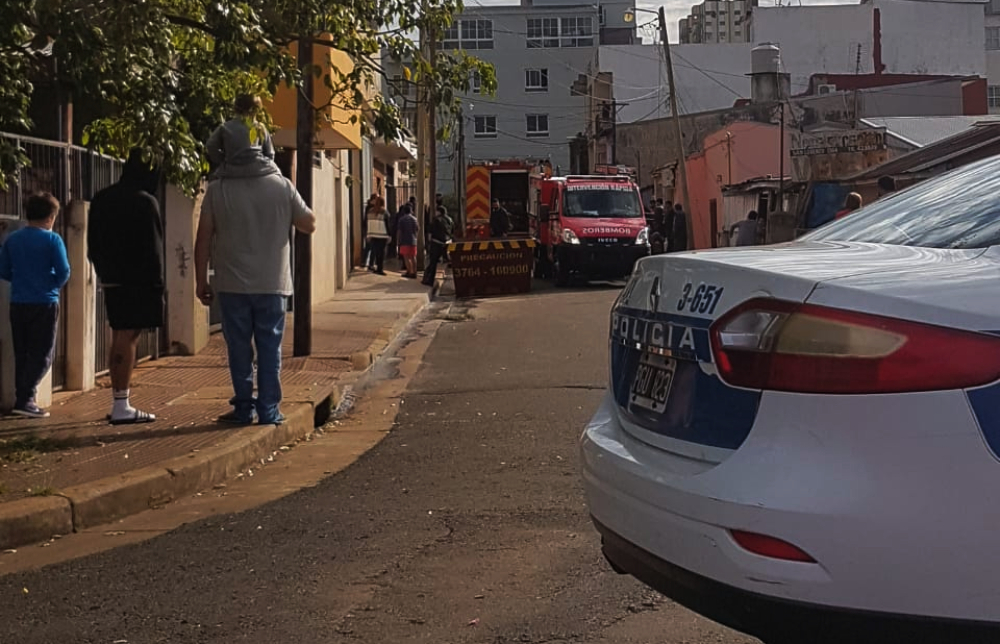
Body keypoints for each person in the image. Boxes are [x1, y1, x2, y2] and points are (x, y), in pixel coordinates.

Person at [195, 167, 316, 425]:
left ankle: (243, 408)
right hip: (273, 283)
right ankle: (268, 409)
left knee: (238, 349)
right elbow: (309, 223)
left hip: (231, 285)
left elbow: (203, 238)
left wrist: (201, 280)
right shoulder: (281, 186)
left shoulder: (218, 188)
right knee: (269, 348)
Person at [88, 150, 165, 425]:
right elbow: (154, 249)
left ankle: (119, 399)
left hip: (112, 279)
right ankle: (122, 403)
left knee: (118, 334)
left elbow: (92, 242)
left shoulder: (102, 198)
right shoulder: (146, 202)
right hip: (139, 280)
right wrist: (157, 284)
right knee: (128, 337)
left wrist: (102, 270)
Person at [0, 193, 70, 418]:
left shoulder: (13, 239)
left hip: (18, 302)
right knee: (42, 354)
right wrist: (50, 285)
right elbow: (64, 271)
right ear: (51, 217)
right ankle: (25, 398)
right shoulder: (53, 240)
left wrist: (22, 281)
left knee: (23, 351)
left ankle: (24, 398)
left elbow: (3, 270)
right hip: (44, 303)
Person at [206, 94, 280, 179]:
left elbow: (210, 145)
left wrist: (222, 160)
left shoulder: (225, 127)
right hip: (258, 167)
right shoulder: (259, 127)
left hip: (232, 168)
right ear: (255, 110)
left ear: (235, 109)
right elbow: (270, 153)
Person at [423, 205, 451, 286]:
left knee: (433, 262)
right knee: (444, 260)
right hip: (446, 243)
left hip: (436, 243)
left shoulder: (436, 220)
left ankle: (430, 280)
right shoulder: (449, 219)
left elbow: (430, 232)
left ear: (439, 211)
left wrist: (428, 243)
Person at [366, 196, 391, 276]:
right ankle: (380, 268)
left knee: (376, 252)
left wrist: (368, 234)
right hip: (382, 235)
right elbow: (388, 224)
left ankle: (376, 268)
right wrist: (389, 235)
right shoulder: (384, 212)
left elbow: (367, 223)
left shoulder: (370, 212)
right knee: (381, 253)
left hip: (373, 235)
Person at [396, 205, 420, 279]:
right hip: (413, 240)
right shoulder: (415, 219)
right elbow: (417, 229)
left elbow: (399, 231)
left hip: (404, 240)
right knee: (413, 257)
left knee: (406, 257)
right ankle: (415, 272)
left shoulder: (402, 219)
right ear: (411, 211)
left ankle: (409, 271)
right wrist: (415, 236)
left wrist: (398, 240)